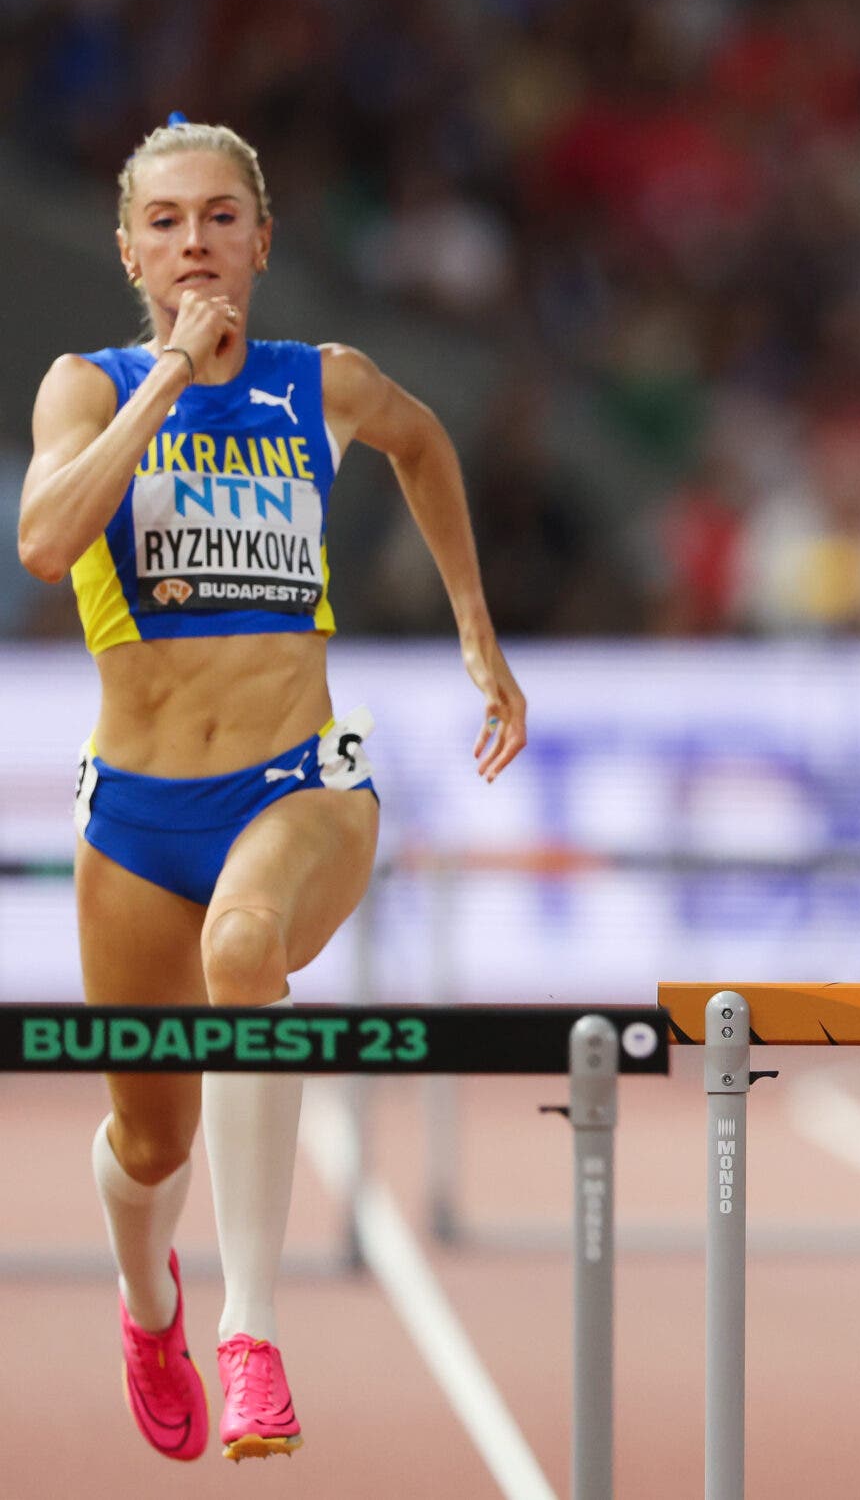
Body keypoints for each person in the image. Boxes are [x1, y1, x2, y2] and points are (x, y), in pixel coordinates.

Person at [13, 117, 529, 1463]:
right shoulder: (86, 383)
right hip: (135, 811)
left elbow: (424, 446)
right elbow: (45, 540)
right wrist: (168, 379)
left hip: (299, 778)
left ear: (263, 238)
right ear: (129, 246)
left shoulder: (327, 381)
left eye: (222, 217)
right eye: (169, 220)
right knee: (146, 1136)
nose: (197, 242)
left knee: (247, 950)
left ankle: (252, 1330)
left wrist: (476, 623)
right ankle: (150, 1301)